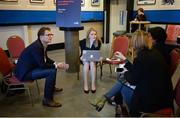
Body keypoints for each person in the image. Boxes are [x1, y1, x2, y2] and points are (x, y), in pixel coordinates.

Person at [92, 30, 173, 116]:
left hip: (154, 100)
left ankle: (106, 100)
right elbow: (137, 70)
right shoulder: (152, 53)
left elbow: (133, 80)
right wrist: (125, 60)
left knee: (122, 84)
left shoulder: (142, 57)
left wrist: (124, 71)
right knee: (122, 80)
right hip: (160, 95)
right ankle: (105, 100)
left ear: (135, 43)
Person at [15, 27, 69, 107]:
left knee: (53, 68)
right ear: (41, 36)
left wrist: (55, 63)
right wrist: (57, 65)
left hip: (30, 68)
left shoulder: (42, 44)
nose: (51, 36)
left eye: (51, 34)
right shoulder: (37, 47)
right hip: (25, 73)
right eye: (48, 35)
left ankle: (51, 88)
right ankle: (47, 100)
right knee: (51, 71)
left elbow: (46, 59)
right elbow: (43, 65)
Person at [80, 28, 102, 94]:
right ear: (88, 35)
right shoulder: (83, 42)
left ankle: (93, 84)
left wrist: (100, 57)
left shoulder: (98, 42)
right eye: (92, 34)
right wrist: (81, 57)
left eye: (95, 34)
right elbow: (82, 53)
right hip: (84, 58)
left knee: (92, 63)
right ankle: (85, 84)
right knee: (86, 63)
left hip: (93, 59)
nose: (94, 36)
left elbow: (97, 53)